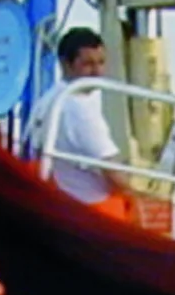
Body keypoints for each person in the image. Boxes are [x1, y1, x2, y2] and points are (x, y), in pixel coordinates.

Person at [36, 27, 136, 216]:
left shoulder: (50, 98)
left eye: (101, 62)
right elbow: (114, 174)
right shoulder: (80, 110)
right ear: (66, 64)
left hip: (64, 198)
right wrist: (138, 195)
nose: (98, 72)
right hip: (94, 210)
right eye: (88, 64)